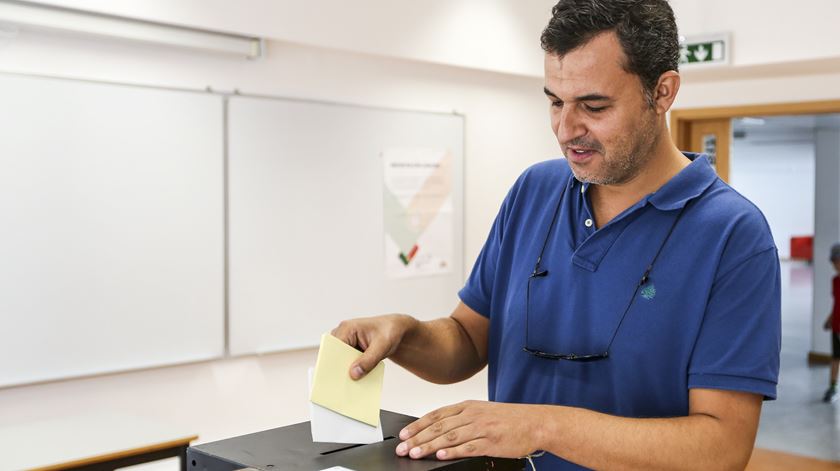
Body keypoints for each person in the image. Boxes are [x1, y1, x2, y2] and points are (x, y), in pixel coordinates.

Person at [332, 0, 781, 468]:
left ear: (663, 92)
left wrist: (541, 427)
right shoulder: (534, 190)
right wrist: (406, 335)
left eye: (594, 106)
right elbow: (467, 340)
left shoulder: (734, 235)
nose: (567, 130)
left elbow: (721, 449)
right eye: (554, 102)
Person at [823, 243, 840, 403]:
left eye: (837, 260)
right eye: (833, 261)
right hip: (836, 327)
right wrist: (829, 320)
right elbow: (836, 303)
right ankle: (832, 387)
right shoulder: (835, 280)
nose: (835, 264)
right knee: (835, 358)